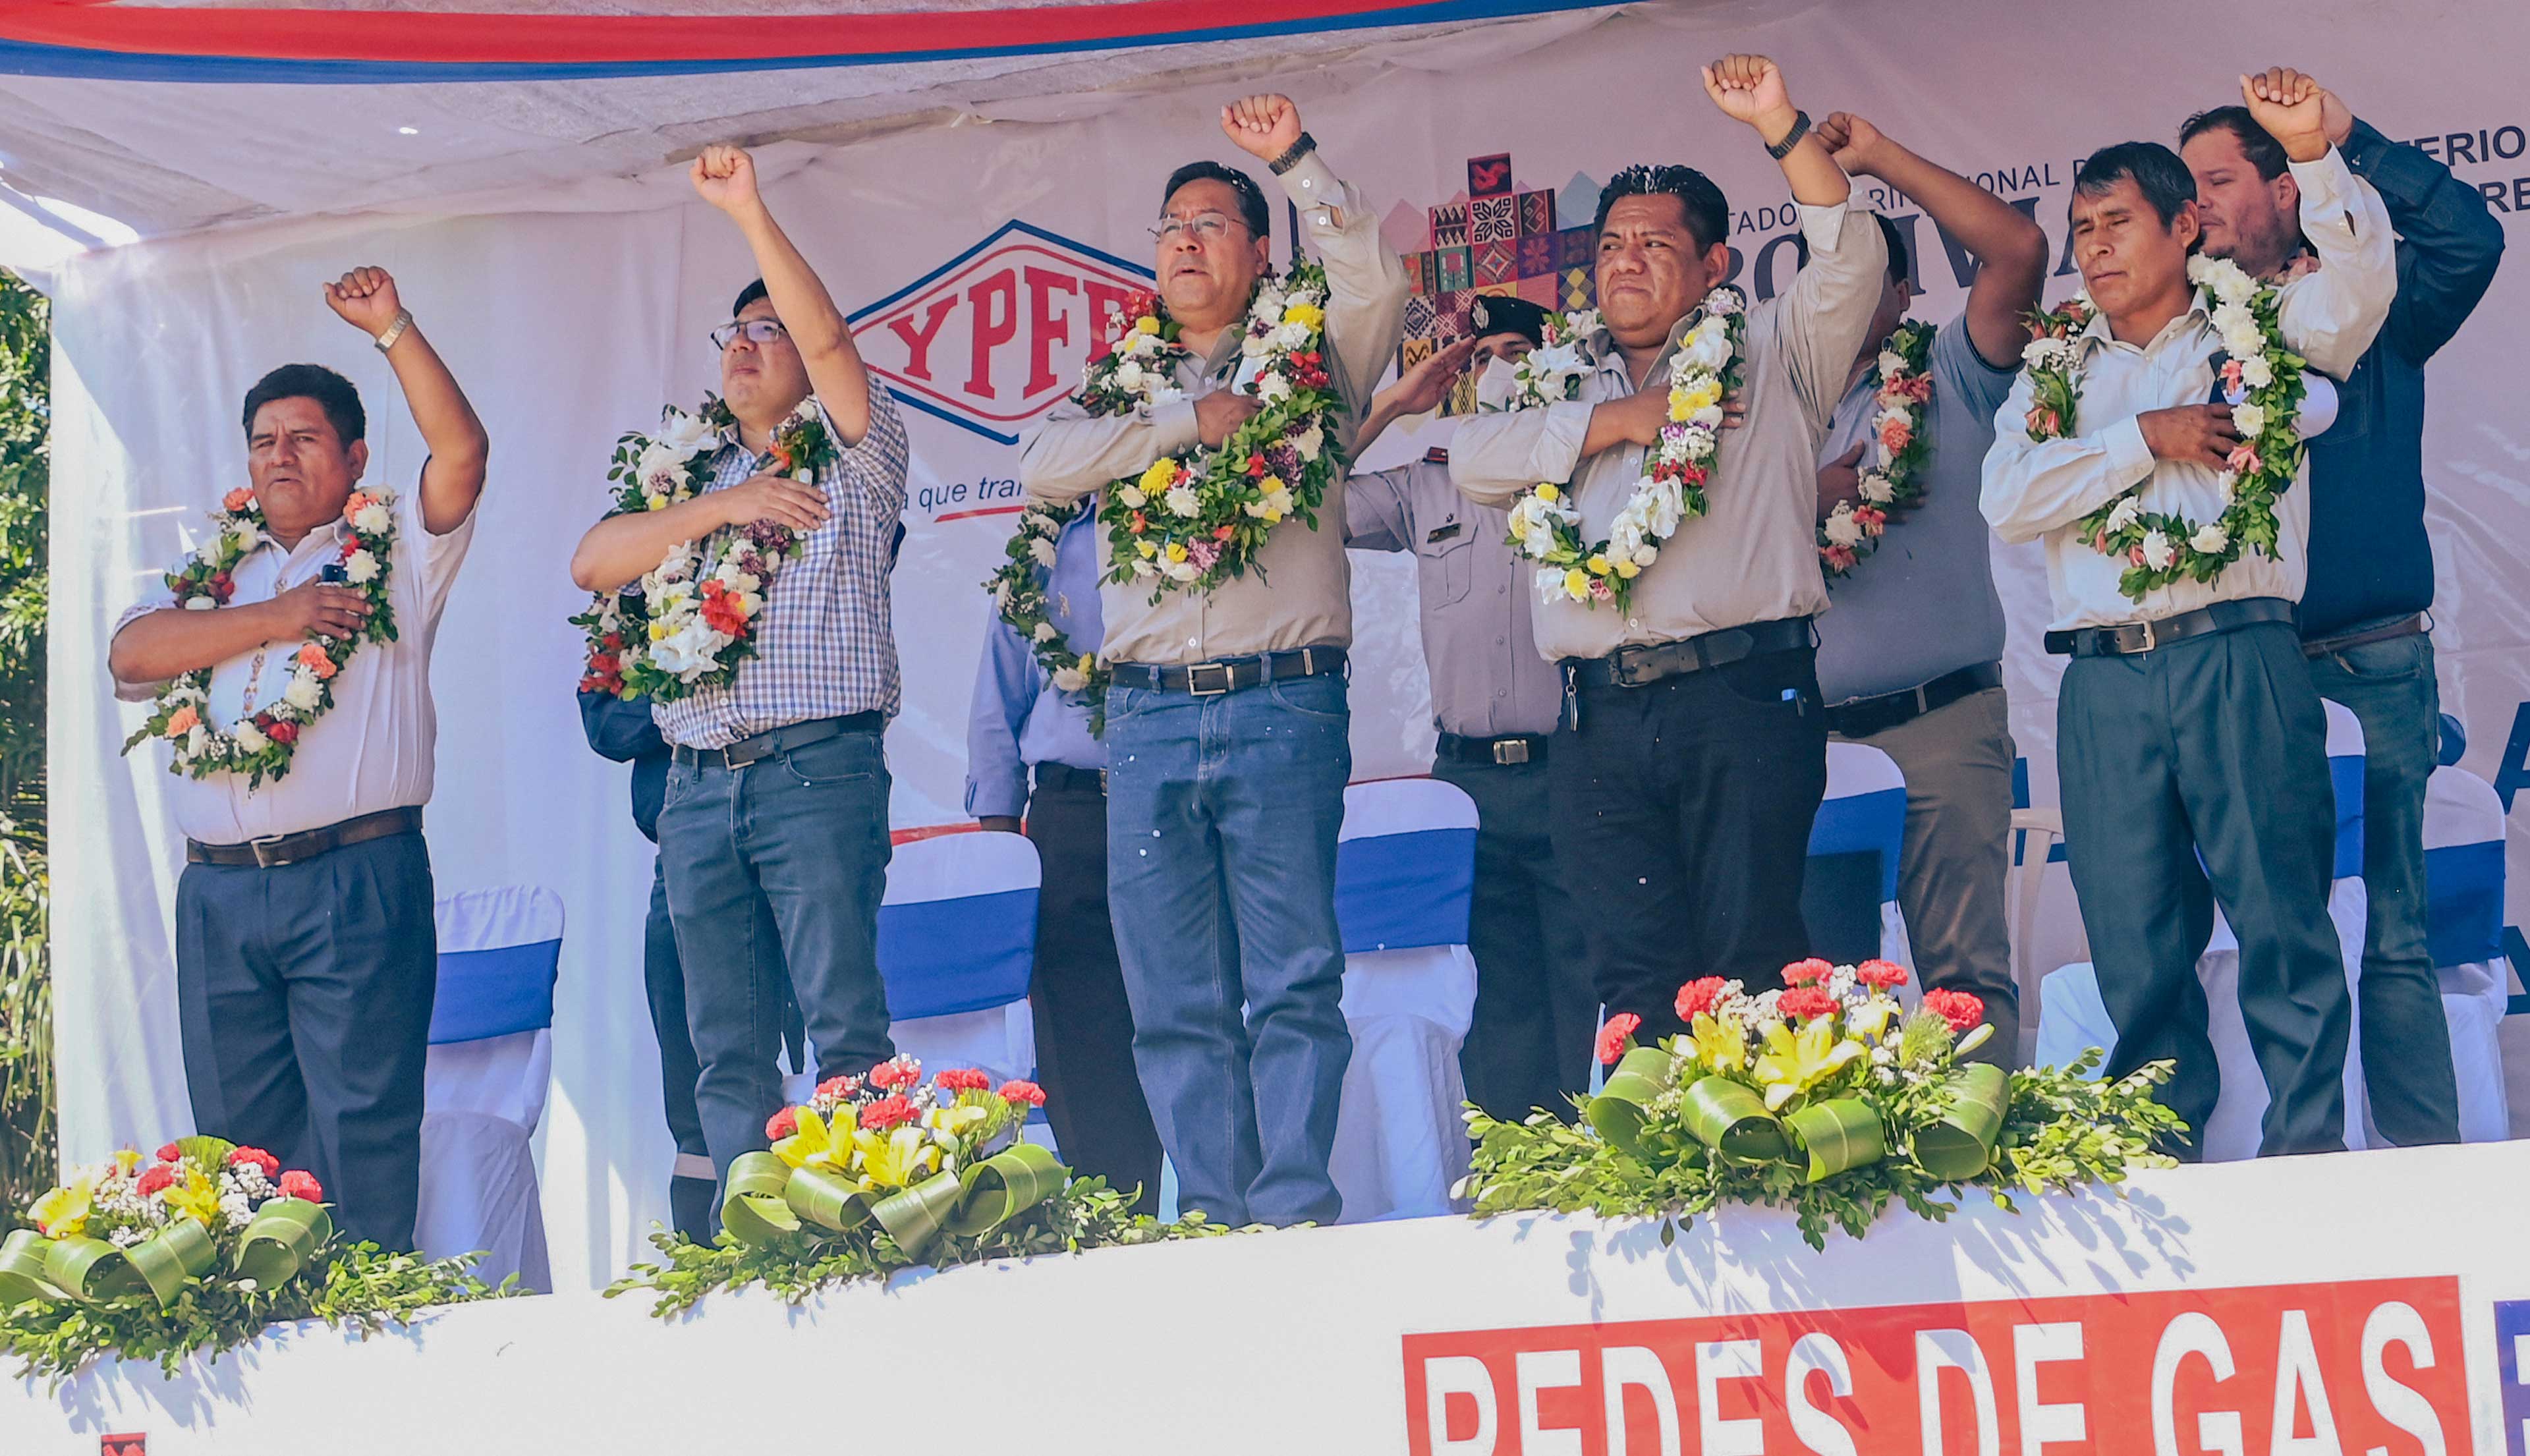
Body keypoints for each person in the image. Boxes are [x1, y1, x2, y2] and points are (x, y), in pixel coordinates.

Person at [1981, 72, 2393, 1156]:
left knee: (2282, 924)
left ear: (2185, 225)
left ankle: (2306, 1162)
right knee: (2135, 942)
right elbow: (2008, 499)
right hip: (2105, 682)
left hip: (2237, 655)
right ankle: (2163, 1166)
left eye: (2119, 221)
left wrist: (2312, 156)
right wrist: (2142, 439)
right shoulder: (2057, 368)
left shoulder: (2258, 324)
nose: (2096, 247)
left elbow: (2356, 297)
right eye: (2080, 230)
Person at [1019, 94, 1407, 1227]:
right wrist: (1192, 423)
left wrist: (1293, 159)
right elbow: (1041, 463)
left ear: (1257, 250)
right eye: (1170, 226)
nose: (1185, 240)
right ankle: (1222, 1211)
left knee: (1292, 980)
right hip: (1140, 723)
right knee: (1172, 996)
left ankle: (1289, 1206)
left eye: (1211, 223)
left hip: (1279, 704)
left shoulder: (1314, 361)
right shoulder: (1119, 388)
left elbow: (1372, 278)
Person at [1451, 54, 1888, 1039]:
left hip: (1740, 695)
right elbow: (1476, 463)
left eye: (1656, 244)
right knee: (1634, 976)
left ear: (1715, 268)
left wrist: (1779, 123)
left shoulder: (1776, 351)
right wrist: (1615, 420)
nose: (1627, 260)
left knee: (1750, 962)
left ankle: (1763, 1185)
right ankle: (1663, 1190)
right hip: (1597, 714)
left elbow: (1851, 258)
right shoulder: (1551, 381)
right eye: (1611, 243)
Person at [108, 267, 489, 1248]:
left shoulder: (394, 545)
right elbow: (131, 655)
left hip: (353, 877)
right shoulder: (211, 572)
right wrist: (275, 616)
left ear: (355, 457)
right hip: (223, 897)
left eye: (305, 437)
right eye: (264, 441)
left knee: (360, 1135)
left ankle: (363, 1347)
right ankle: (273, 1351)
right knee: (240, 1158)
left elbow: (463, 449)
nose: (280, 456)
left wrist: (394, 326)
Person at [569, 144, 909, 1190]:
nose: (750, 347)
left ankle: (861, 1230)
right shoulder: (691, 472)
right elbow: (594, 559)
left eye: (772, 332)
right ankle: (758, 1241)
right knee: (725, 1045)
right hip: (697, 786)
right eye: (738, 332)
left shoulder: (859, 451)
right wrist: (727, 504)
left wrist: (750, 211)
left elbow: (835, 342)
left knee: (844, 1026)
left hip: (813, 773)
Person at [2181, 69, 2504, 1148]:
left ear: (2286, 189)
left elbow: (2469, 239)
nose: (2202, 204)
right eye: (2188, 187)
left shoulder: (2370, 302)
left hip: (2372, 659)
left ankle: (2422, 1179)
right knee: (2275, 938)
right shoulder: (2179, 327)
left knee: (2398, 933)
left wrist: (2345, 135)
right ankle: (2297, 1175)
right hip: (2245, 664)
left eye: (2222, 178)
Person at [1806, 113, 2049, 1065]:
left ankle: (1984, 1186)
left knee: (1963, 979)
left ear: (1905, 288)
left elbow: (2021, 249)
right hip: (1806, 737)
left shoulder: (1950, 369)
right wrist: (1808, 494)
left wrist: (1876, 160)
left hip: (1942, 723)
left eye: (1874, 263)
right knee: (1817, 987)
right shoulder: (1763, 398)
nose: (1854, 282)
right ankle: (1839, 1198)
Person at [1345, 320, 1596, 1122]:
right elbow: (1304, 499)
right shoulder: (1427, 482)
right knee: (1495, 992)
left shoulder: (1585, 465)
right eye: (1482, 357)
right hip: (1469, 781)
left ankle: (1600, 1161)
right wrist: (1390, 406)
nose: (1495, 369)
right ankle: (1518, 1173)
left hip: (1577, 763)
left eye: (1516, 354)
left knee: (1586, 977)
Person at [965, 499, 1164, 1213]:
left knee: (1186, 1016)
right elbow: (998, 702)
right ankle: (1114, 1216)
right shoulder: (1044, 551)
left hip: (1176, 802)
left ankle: (1218, 1219)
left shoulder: (1207, 526)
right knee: (1080, 1030)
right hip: (1071, 811)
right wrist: (1000, 853)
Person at [576, 686, 801, 1242]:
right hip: (684, 847)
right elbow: (605, 725)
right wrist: (694, 698)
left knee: (818, 1041)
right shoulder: (630, 605)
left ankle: (823, 1230)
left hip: (792, 822)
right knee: (695, 1074)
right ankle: (710, 1248)